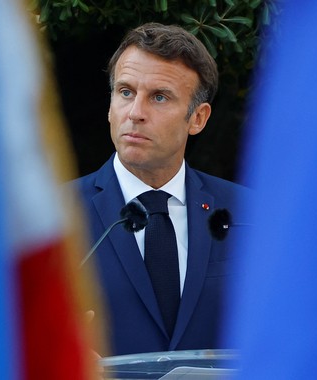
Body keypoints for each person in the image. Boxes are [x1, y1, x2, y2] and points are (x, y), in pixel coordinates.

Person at [72, 22, 251, 356]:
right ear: (110, 106)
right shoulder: (54, 217)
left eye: (159, 97)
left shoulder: (249, 214)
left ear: (197, 118)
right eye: (125, 92)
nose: (136, 113)